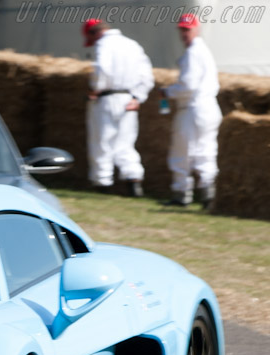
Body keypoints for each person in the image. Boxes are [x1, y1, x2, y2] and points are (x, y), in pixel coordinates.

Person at [83, 19, 153, 197]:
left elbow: (101, 71)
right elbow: (146, 75)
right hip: (128, 99)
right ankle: (133, 181)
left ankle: (102, 182)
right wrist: (138, 97)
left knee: (102, 141)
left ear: (94, 33)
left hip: (106, 98)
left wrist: (94, 89)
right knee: (125, 142)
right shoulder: (133, 45)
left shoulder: (102, 45)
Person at [162, 13, 222, 209]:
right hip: (209, 108)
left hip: (193, 108)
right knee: (206, 152)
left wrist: (167, 91)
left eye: (187, 30)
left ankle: (182, 194)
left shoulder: (193, 53)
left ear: (197, 29)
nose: (184, 34)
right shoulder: (204, 51)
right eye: (182, 30)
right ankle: (208, 196)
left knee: (182, 151)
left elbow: (187, 86)